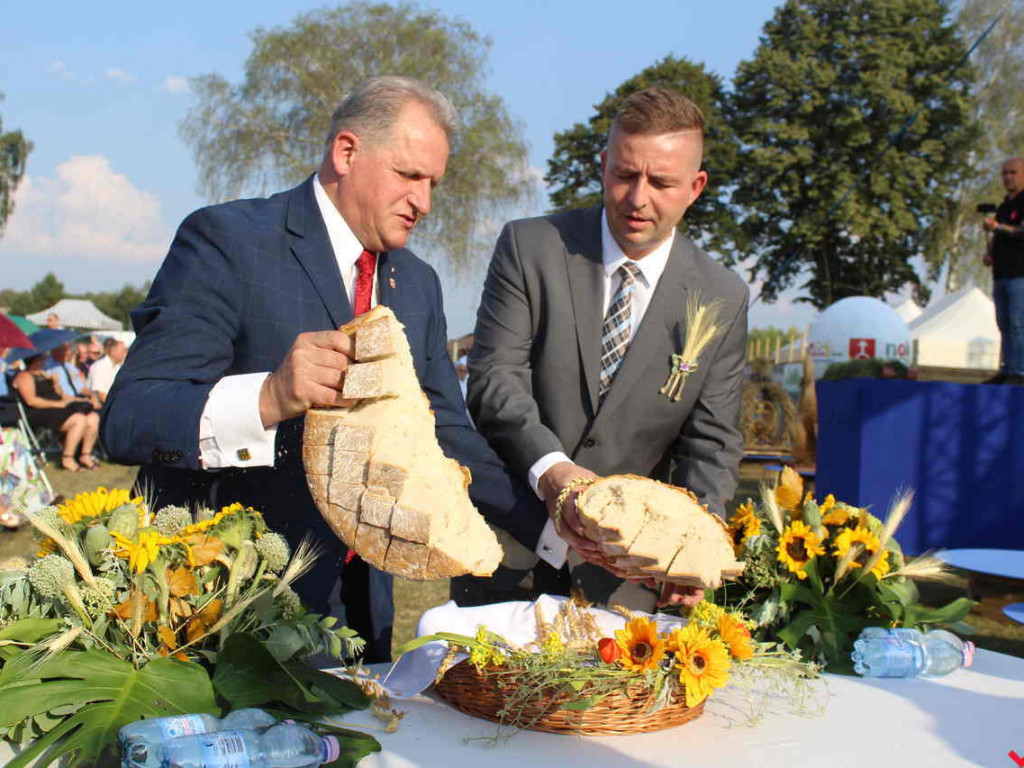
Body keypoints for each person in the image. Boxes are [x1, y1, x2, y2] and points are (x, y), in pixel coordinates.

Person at [101, 76, 546, 663]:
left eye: (433, 183)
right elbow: (129, 417)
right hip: (226, 615)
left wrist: (555, 526)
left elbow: (446, 432)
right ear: (346, 152)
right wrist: (268, 396)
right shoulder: (228, 240)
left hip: (363, 616)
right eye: (409, 175)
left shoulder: (418, 283)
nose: (425, 202)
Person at [462, 87, 749, 613]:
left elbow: (711, 442)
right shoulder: (530, 247)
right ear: (602, 166)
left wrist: (695, 546)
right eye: (624, 174)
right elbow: (495, 378)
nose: (637, 198)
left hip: (626, 579)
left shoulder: (721, 296)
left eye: (661, 183)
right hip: (506, 557)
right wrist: (553, 471)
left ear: (696, 187)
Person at [13, 354, 100, 471]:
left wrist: (55, 383)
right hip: (40, 412)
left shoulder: (44, 374)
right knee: (79, 419)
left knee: (93, 417)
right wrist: (58, 404)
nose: (43, 362)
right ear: (34, 360)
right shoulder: (24, 376)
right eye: (41, 360)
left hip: (58, 408)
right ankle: (67, 458)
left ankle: (85, 455)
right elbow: (31, 401)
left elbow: (60, 395)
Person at [982, 157, 1024, 385]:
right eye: (1005, 173)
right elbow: (998, 235)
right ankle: (1007, 367)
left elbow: (1019, 231)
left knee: (1018, 323)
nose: (1008, 177)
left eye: (1013, 172)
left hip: (1020, 273)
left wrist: (997, 226)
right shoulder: (1004, 206)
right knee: (1004, 323)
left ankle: (1019, 370)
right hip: (1001, 272)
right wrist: (990, 253)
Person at [46, 342, 101, 409]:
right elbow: (59, 394)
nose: (68, 353)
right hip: (66, 402)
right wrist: (85, 401)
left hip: (79, 398)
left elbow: (81, 388)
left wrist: (93, 395)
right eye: (64, 350)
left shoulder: (69, 366)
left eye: (68, 350)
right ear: (54, 351)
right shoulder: (48, 368)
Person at [87, 338, 126, 403]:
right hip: (100, 405)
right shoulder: (99, 367)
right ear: (113, 352)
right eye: (123, 351)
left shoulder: (117, 366)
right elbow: (101, 394)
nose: (125, 354)